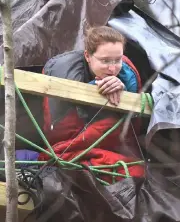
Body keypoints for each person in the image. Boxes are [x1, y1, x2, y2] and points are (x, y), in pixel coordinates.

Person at [16, 26, 144, 183]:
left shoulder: (127, 76)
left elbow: (130, 128)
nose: (112, 68)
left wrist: (124, 93)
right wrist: (95, 89)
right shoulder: (64, 70)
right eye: (105, 61)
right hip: (68, 146)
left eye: (117, 60)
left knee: (135, 171)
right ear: (88, 56)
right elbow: (58, 128)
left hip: (108, 149)